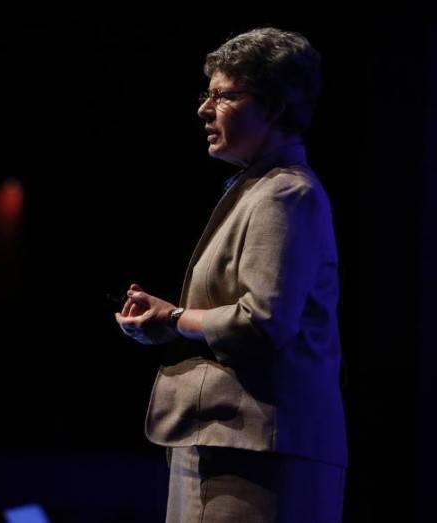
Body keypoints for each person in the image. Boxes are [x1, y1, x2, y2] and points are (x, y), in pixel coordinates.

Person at [114, 27, 347, 522]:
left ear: (275, 106)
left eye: (224, 95)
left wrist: (176, 317)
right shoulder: (257, 188)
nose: (204, 109)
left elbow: (262, 322)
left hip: (258, 452)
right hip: (230, 443)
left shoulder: (286, 194)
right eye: (208, 93)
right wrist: (169, 321)